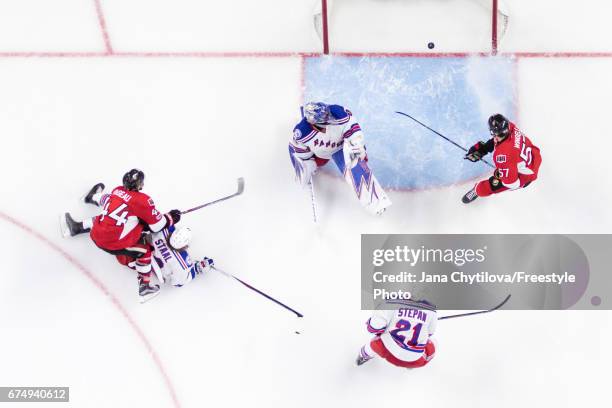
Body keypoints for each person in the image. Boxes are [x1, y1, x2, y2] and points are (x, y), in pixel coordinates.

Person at [62, 169, 181, 302]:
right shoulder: (144, 201)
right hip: (112, 244)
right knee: (145, 251)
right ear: (140, 185)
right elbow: (157, 226)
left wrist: (96, 197)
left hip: (95, 233)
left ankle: (77, 226)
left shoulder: (117, 190)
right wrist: (171, 217)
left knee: (108, 218)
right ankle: (145, 288)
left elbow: (106, 199)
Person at [289, 102, 391, 215]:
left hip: (342, 147)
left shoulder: (339, 113)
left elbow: (353, 129)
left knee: (355, 163)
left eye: (328, 115)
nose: (329, 119)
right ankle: (306, 171)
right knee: (305, 166)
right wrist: (306, 164)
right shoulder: (301, 133)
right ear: (313, 124)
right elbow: (297, 150)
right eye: (324, 120)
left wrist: (357, 145)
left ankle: (376, 203)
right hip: (320, 155)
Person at [462, 114, 542, 204]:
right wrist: (484, 149)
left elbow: (512, 183)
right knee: (506, 152)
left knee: (484, 188)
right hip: (534, 157)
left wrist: (500, 175)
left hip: (524, 176)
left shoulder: (503, 155)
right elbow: (501, 139)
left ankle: (476, 190)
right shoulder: (511, 127)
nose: (496, 137)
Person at [356, 299, 437, 369]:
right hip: (416, 360)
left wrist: (372, 324)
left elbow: (374, 328)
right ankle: (410, 367)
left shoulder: (390, 301)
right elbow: (430, 333)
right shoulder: (431, 308)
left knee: (375, 342)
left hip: (387, 352)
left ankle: (363, 356)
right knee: (433, 341)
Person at [150, 225, 214, 287]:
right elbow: (177, 283)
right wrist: (196, 268)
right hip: (155, 271)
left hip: (145, 255)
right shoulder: (184, 264)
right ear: (185, 245)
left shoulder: (164, 229)